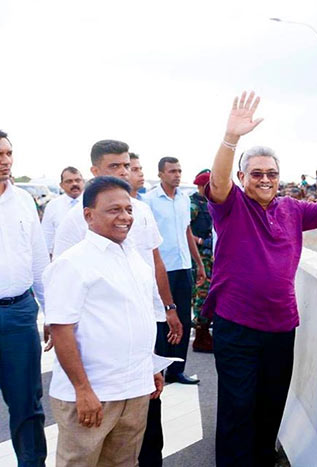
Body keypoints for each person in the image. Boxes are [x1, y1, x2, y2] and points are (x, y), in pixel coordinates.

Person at [204, 91, 317, 466]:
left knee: (271, 404)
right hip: (237, 325)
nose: (265, 179)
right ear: (242, 176)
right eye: (257, 173)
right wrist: (231, 139)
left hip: (281, 325)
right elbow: (217, 181)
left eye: (272, 174)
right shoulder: (231, 206)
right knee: (237, 407)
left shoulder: (291, 209)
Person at [53, 140, 182, 466]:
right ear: (88, 215)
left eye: (128, 209)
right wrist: (83, 391)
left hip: (134, 391)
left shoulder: (134, 259)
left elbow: (136, 319)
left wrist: (149, 368)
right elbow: (62, 330)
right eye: (114, 210)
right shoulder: (73, 262)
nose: (125, 216)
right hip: (93, 396)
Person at [0, 129, 50, 466]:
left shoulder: (23, 201)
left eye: (8, 154)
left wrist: (53, 313)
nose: (5, 162)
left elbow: (38, 260)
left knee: (27, 405)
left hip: (18, 315)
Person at [143, 157, 206, 385]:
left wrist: (198, 263)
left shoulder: (183, 200)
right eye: (172, 171)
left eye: (179, 171)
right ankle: (157, 368)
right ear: (161, 174)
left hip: (183, 267)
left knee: (183, 319)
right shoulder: (149, 200)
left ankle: (177, 369)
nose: (177, 175)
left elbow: (187, 232)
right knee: (161, 319)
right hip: (162, 269)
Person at [191, 169, 215, 353]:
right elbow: (184, 229)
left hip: (213, 254)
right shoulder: (194, 205)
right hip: (201, 256)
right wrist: (199, 241)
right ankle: (201, 335)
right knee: (203, 295)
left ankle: (205, 333)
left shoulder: (212, 203)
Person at [41, 166, 84, 256]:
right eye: (69, 181)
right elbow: (47, 235)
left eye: (78, 180)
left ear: (83, 182)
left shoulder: (93, 203)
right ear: (61, 185)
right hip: (62, 258)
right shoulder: (53, 206)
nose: (74, 184)